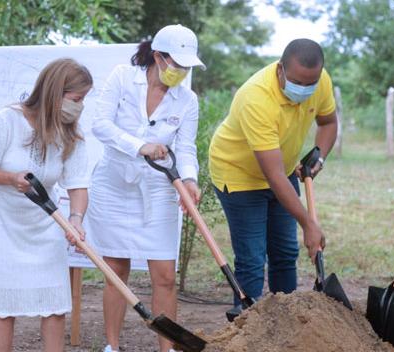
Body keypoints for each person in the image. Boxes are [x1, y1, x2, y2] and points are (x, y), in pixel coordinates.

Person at [85, 24, 204, 352]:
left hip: (158, 188)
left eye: (186, 67)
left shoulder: (187, 100)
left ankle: (167, 350)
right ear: (158, 57)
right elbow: (101, 125)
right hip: (113, 184)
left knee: (164, 274)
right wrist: (141, 146)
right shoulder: (123, 77)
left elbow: (188, 148)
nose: (180, 72)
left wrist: (190, 181)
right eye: (176, 64)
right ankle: (112, 345)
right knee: (116, 268)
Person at [0, 58, 92, 352]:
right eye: (76, 99)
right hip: (1, 226)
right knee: (2, 308)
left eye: (84, 100)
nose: (80, 106)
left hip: (47, 225)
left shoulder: (71, 133)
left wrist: (75, 219)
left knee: (54, 306)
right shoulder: (7, 120)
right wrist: (11, 178)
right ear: (55, 92)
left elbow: (78, 183)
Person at [208, 38, 338, 316]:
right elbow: (274, 176)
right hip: (239, 174)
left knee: (285, 253)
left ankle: (285, 322)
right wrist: (309, 224)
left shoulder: (321, 81)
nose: (304, 89)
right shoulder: (256, 97)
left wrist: (319, 155)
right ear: (280, 69)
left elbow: (328, 122)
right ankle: (247, 329)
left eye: (310, 84)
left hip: (283, 169)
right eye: (297, 82)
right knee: (253, 258)